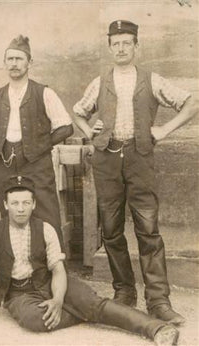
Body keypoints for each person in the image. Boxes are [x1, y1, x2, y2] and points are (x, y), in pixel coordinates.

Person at [0, 175, 179, 346]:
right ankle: (88, 312)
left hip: (50, 281)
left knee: (95, 303)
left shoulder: (46, 229)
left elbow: (58, 269)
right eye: (15, 203)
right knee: (36, 321)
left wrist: (58, 300)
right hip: (18, 293)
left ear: (34, 205)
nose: (21, 209)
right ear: (6, 205)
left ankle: (156, 328)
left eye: (25, 203)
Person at [72, 20, 198, 324]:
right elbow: (78, 111)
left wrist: (164, 129)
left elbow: (191, 102)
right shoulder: (100, 81)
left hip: (140, 160)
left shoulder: (151, 79)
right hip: (107, 160)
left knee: (148, 230)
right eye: (115, 43)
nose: (121, 48)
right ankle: (124, 293)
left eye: (126, 42)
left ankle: (158, 301)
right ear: (110, 47)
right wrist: (91, 130)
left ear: (136, 46)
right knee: (112, 230)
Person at [0, 34, 73, 241]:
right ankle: (15, 266)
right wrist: (1, 145)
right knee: (9, 213)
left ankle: (53, 268)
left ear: (30, 62)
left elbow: (66, 127)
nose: (14, 64)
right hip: (4, 164)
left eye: (19, 59)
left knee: (46, 214)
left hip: (37, 164)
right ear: (5, 63)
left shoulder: (44, 93)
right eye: (10, 59)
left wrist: (38, 146)